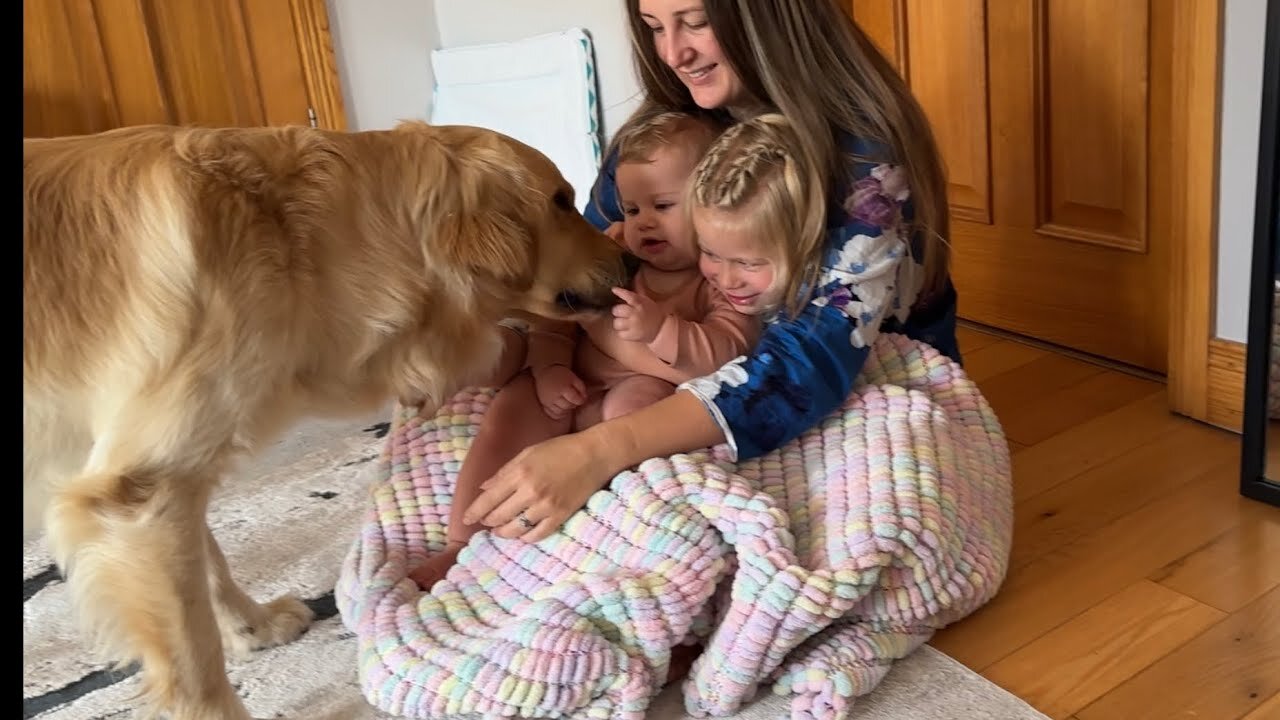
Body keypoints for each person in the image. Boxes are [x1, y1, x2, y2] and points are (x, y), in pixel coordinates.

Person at [460, 0, 962, 552]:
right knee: (517, 387)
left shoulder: (866, 164)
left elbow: (803, 370)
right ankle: (467, 544)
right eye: (655, 28)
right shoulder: (667, 133)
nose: (675, 53)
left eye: (696, 21)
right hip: (686, 368)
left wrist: (596, 451)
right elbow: (590, 262)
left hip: (833, 381)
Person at [409, 108, 760, 590]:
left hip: (641, 390)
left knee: (634, 407)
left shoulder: (717, 276)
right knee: (511, 410)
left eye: (663, 205)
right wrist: (550, 366)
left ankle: (596, 535)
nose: (644, 225)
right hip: (571, 375)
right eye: (633, 210)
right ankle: (461, 540)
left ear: (712, 206)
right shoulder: (615, 248)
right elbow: (564, 314)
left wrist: (662, 330)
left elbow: (726, 357)